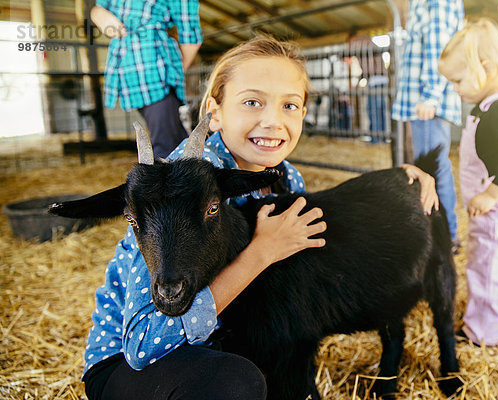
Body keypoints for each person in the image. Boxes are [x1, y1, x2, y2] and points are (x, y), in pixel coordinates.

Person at [81, 36, 440, 400]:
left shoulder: (284, 178)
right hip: (133, 369)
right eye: (252, 102)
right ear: (214, 112)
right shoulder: (171, 188)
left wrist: (399, 179)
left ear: (303, 114)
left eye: (289, 105)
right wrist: (261, 252)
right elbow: (144, 345)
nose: (272, 121)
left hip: (224, 340)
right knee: (236, 384)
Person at [438, 18, 498, 346]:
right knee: (483, 262)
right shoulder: (490, 105)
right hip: (490, 210)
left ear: (486, 67)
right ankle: (481, 319)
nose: (455, 89)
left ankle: (483, 335)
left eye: (458, 80)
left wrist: (491, 196)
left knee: (493, 269)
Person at [391, 0, 464, 252]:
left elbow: (439, 47)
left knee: (433, 168)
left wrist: (431, 95)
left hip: (427, 101)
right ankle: (442, 233)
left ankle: (446, 236)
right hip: (423, 100)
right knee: (431, 167)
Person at [90, 0, 202, 158]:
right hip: (127, 71)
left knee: (165, 146)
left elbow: (191, 38)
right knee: (175, 140)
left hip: (154, 72)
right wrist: (101, 16)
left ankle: (167, 178)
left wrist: (176, 70)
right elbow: (98, 8)